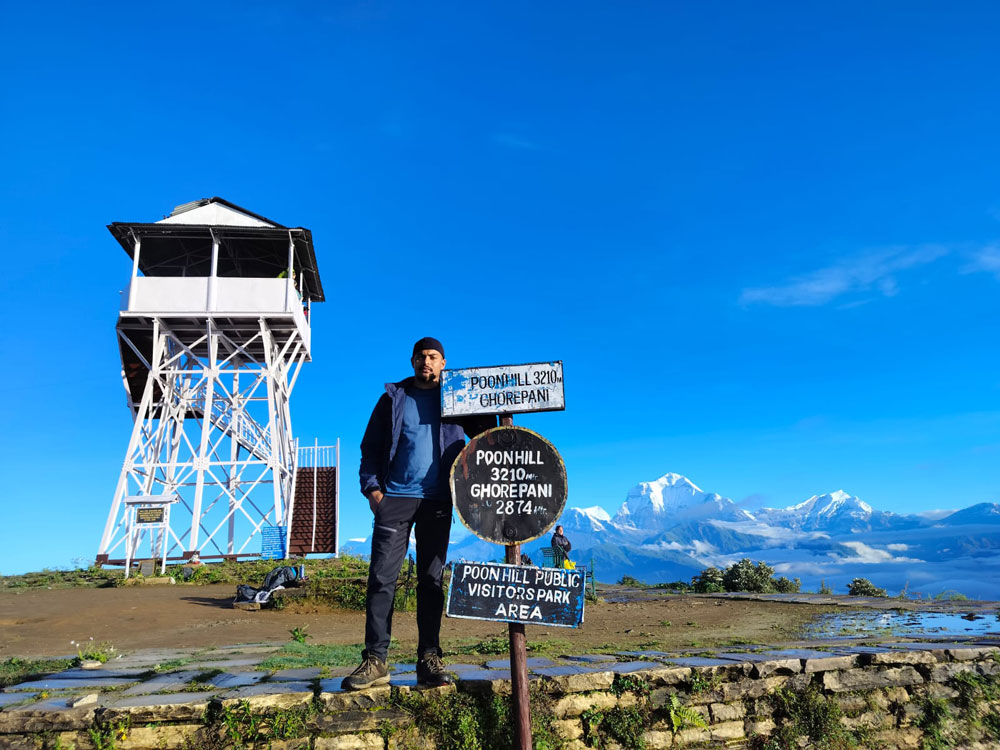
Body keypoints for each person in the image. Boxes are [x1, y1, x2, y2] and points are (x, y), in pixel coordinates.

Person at [342, 337, 495, 690]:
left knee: (431, 581)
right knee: (381, 578)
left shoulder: (458, 399)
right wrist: (373, 491)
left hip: (439, 500)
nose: (426, 362)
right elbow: (369, 447)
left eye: (433, 357)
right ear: (412, 361)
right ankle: (375, 660)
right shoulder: (392, 399)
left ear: (443, 362)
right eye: (421, 357)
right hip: (394, 498)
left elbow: (487, 435)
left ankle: (429, 658)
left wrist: (492, 405)